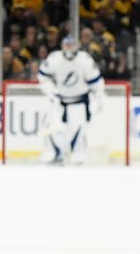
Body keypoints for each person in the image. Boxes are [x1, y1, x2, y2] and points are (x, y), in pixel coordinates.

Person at [37, 34, 105, 165]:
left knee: (79, 129)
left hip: (80, 101)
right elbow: (43, 77)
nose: (69, 48)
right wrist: (51, 91)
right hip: (59, 101)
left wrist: (99, 96)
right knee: (51, 126)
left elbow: (95, 81)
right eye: (66, 45)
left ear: (77, 47)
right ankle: (55, 153)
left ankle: (79, 154)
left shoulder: (85, 60)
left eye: (71, 45)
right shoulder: (54, 58)